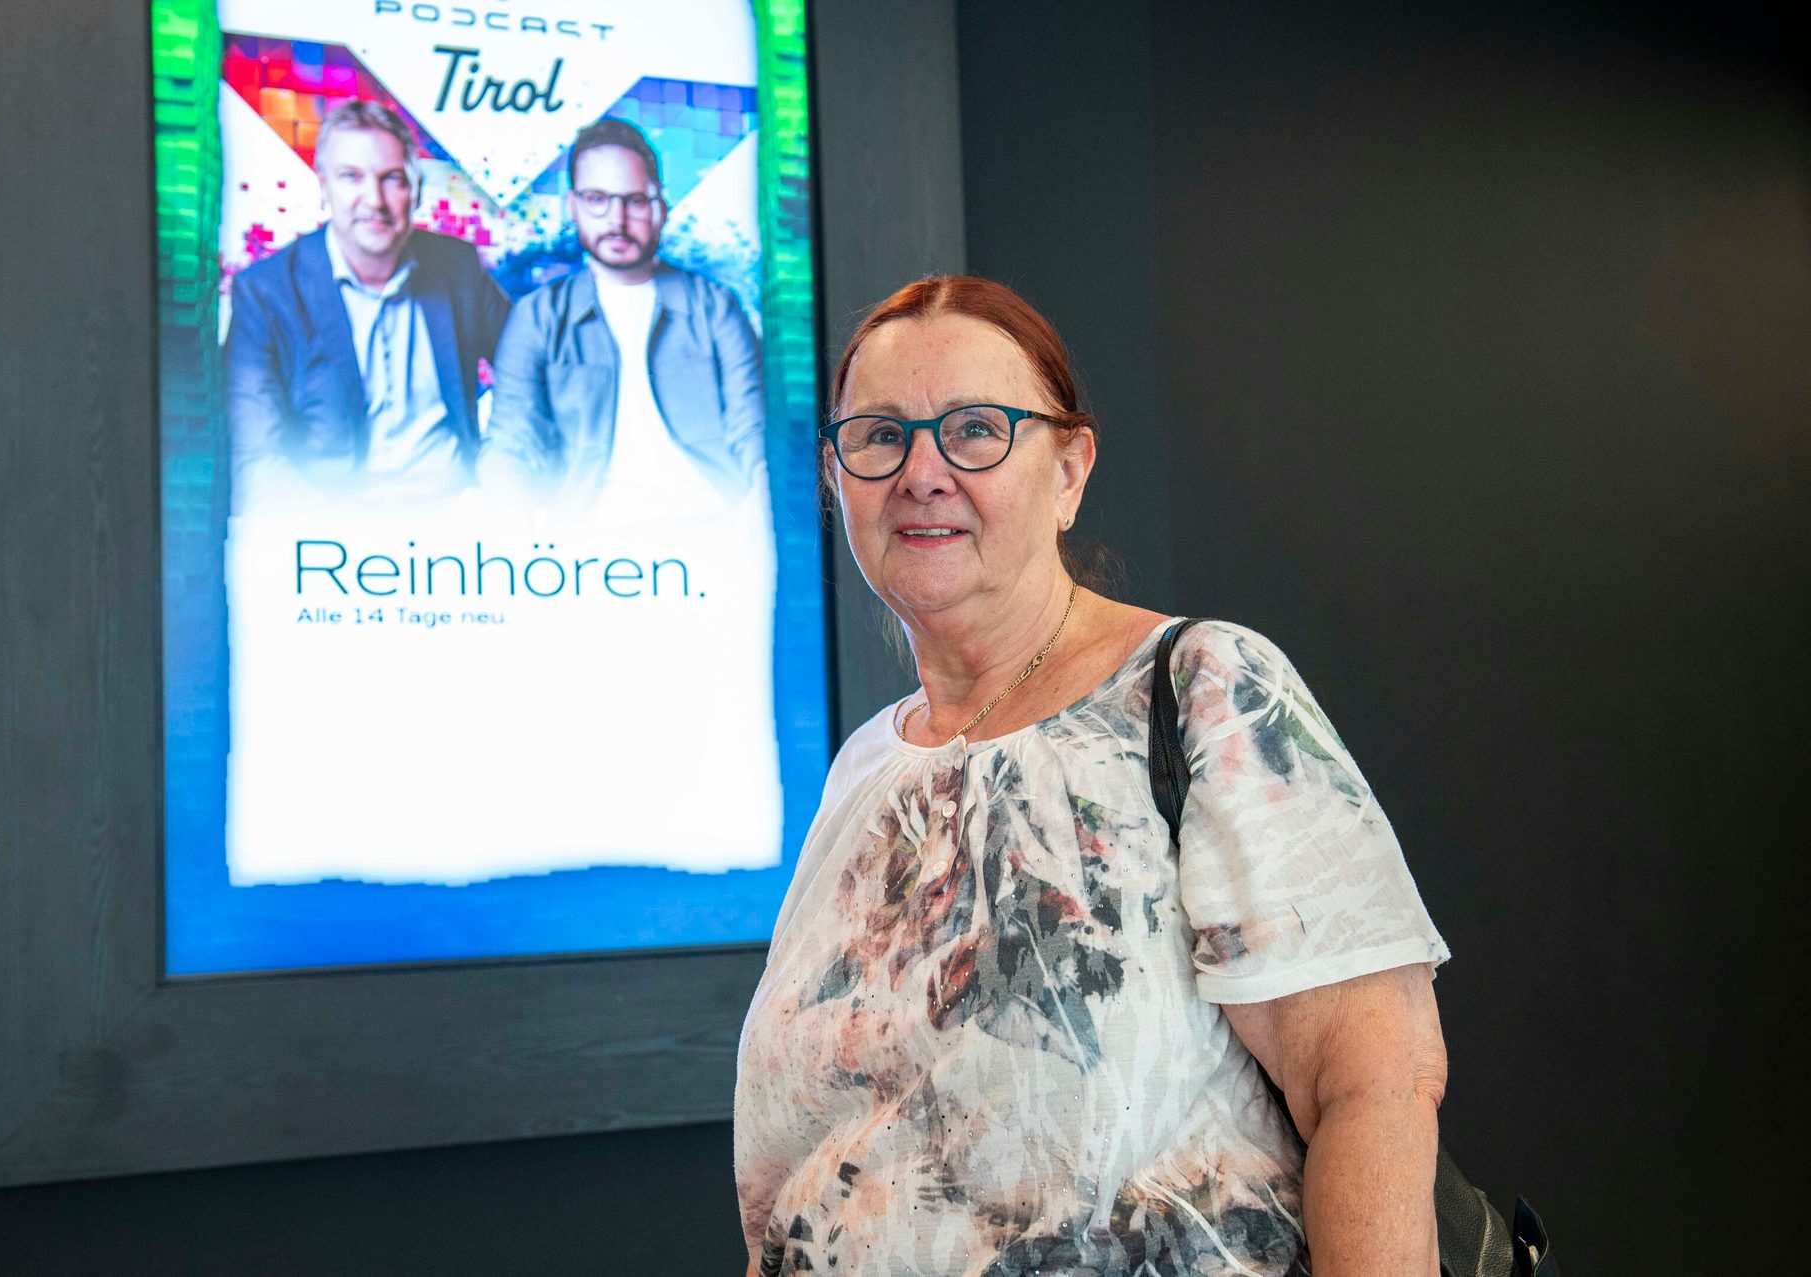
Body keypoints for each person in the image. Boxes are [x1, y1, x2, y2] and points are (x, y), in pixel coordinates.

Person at [734, 277, 1452, 1276]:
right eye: (880, 435)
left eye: (976, 430)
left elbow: (1372, 1081)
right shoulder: (868, 765)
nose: (923, 472)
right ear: (835, 474)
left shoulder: (1203, 691)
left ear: (1068, 470)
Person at [225, 99, 510, 506]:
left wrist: (500, 475)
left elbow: (529, 372)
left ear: (415, 190)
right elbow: (258, 458)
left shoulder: (458, 267)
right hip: (329, 535)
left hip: (457, 526)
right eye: (351, 177)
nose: (373, 200)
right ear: (324, 185)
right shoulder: (266, 292)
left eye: (392, 178)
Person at [480, 118, 764, 513]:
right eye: (597, 199)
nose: (616, 220)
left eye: (633, 200)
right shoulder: (537, 317)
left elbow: (754, 431)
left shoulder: (716, 307)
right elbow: (510, 442)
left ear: (660, 207)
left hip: (713, 520)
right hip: (590, 542)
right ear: (573, 207)